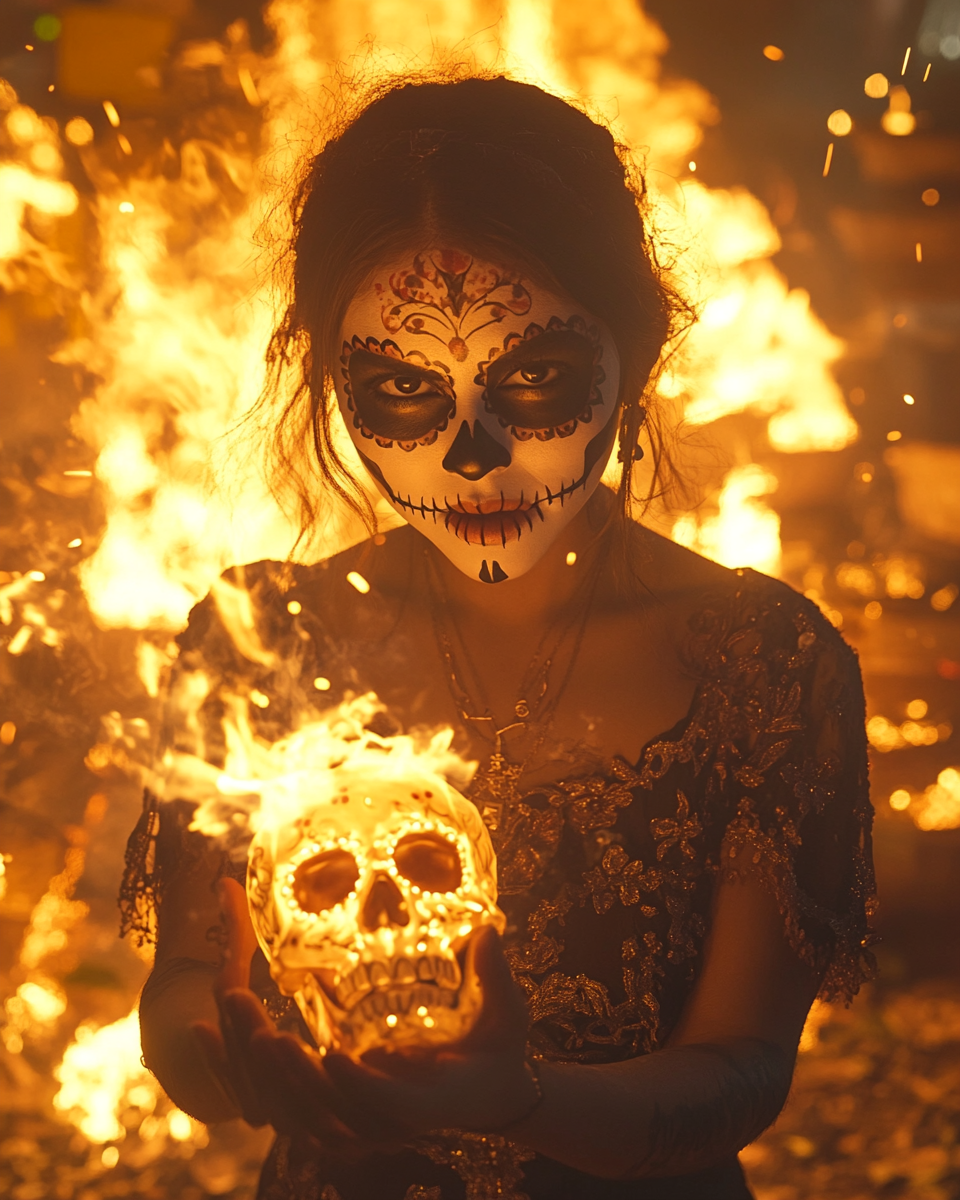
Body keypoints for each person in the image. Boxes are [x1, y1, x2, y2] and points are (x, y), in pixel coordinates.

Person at [120, 75, 876, 1200]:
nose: (471, 454)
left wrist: (518, 1100)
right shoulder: (261, 641)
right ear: (334, 378)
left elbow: (746, 1068)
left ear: (639, 345)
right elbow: (190, 977)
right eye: (403, 388)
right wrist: (232, 1063)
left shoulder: (766, 665)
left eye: (533, 379)